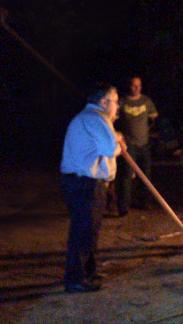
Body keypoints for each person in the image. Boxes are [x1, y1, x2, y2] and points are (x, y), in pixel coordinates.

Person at [60, 82, 125, 293]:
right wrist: (118, 143)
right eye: (115, 101)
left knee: (90, 230)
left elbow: (105, 142)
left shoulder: (96, 119)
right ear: (103, 102)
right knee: (83, 230)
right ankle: (75, 279)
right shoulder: (94, 118)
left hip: (85, 182)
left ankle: (88, 271)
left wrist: (116, 138)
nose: (118, 106)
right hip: (84, 183)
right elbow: (108, 147)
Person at [114, 76, 158, 215]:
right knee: (127, 175)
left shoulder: (146, 101)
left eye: (139, 85)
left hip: (144, 143)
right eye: (134, 85)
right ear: (129, 86)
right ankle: (123, 207)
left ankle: (145, 202)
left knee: (145, 175)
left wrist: (149, 131)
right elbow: (112, 119)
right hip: (129, 144)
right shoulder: (122, 102)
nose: (137, 88)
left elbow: (154, 118)